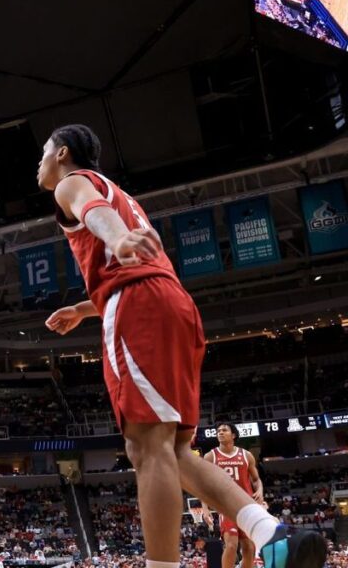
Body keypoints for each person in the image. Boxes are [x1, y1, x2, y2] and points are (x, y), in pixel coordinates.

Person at [39, 124, 326, 568]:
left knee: (145, 448)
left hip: (138, 307)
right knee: (174, 451)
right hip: (172, 304)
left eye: (42, 154)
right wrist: (83, 307)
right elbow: (130, 263)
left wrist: (114, 238)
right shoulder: (125, 197)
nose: (38, 164)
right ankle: (270, 532)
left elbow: (93, 211)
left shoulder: (73, 182)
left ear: (61, 153)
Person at [202, 423, 266, 568]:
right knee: (231, 545)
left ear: (234, 435)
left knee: (249, 548)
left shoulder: (246, 455)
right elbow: (203, 484)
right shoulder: (211, 456)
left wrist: (260, 490)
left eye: (224, 430)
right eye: (218, 431)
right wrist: (205, 508)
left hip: (247, 505)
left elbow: (256, 480)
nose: (220, 433)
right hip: (227, 506)